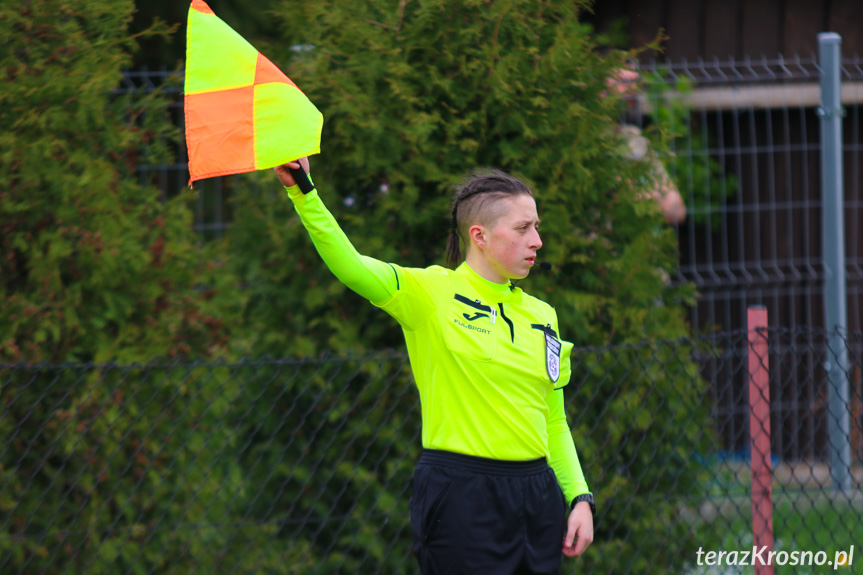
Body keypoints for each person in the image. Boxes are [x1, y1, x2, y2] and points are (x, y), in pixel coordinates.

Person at [275, 159, 594, 574]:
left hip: (537, 496)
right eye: (522, 228)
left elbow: (554, 420)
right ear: (478, 236)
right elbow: (350, 264)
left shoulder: (543, 315)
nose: (537, 241)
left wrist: (579, 497)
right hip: (461, 493)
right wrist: (303, 191)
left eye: (536, 227)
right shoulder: (431, 293)